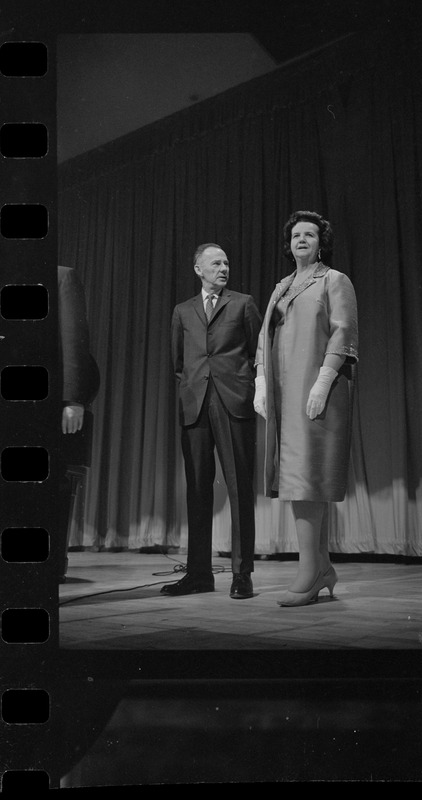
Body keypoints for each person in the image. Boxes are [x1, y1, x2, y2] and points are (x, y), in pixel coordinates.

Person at [254, 211, 358, 607]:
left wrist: (324, 380)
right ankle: (323, 567)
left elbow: (344, 330)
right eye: (295, 234)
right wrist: (262, 380)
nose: (301, 239)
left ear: (320, 242)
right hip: (285, 391)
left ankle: (310, 570)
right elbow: (265, 338)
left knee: (306, 476)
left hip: (316, 389)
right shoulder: (282, 286)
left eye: (309, 234)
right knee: (300, 474)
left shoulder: (334, 280)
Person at [162, 243, 262, 598]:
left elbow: (257, 353)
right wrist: (194, 389)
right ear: (198, 269)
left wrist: (243, 387)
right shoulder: (182, 311)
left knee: (239, 489)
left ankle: (241, 573)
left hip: (233, 404)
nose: (224, 268)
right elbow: (178, 365)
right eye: (216, 263)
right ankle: (199, 574)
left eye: (227, 262)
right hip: (195, 406)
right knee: (197, 491)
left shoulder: (243, 303)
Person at [57, 265, 100, 582]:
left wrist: (74, 400)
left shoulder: (61, 276)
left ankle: (53, 559)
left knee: (55, 487)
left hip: (52, 407)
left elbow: (74, 339)